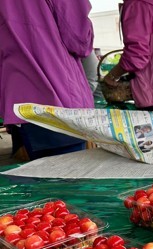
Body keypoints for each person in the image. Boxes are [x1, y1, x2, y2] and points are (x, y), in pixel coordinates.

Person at [0, 0, 93, 160]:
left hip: (17, 103)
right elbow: (80, 40)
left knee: (37, 181)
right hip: (58, 101)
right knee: (70, 180)